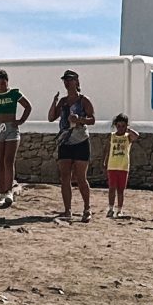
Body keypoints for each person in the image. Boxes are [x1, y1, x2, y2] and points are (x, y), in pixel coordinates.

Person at [49, 69, 97, 224]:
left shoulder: (83, 100)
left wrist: (80, 119)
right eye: (65, 80)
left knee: (81, 177)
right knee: (64, 177)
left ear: (77, 81)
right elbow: (51, 118)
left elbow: (92, 119)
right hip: (65, 141)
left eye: (70, 79)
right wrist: (54, 103)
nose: (67, 82)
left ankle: (87, 208)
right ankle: (67, 209)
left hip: (80, 141)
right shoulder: (63, 101)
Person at [0, 69, 30, 207]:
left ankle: (9, 191)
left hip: (11, 128)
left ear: (7, 81)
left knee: (8, 160)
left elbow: (27, 106)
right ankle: (2, 191)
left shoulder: (14, 93)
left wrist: (20, 121)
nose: (0, 87)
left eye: (3, 83)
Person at [105, 113, 135, 219]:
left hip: (123, 167)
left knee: (121, 190)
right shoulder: (112, 136)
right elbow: (109, 149)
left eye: (123, 126)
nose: (120, 128)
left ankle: (120, 209)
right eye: (119, 126)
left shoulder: (127, 138)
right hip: (112, 166)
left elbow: (136, 136)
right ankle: (110, 208)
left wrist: (129, 131)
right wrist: (105, 161)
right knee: (112, 188)